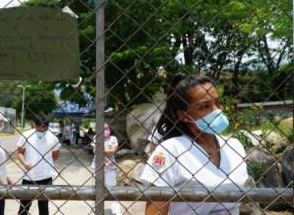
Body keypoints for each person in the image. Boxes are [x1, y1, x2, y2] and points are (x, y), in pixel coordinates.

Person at [141, 75, 249, 215]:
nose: (217, 110)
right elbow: (154, 212)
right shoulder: (171, 151)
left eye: (217, 102)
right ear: (184, 115)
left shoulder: (234, 147)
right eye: (205, 106)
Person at [16, 116, 61, 215]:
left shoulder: (53, 138)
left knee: (44, 208)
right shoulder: (26, 135)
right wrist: (25, 163)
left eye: (44, 129)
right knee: (24, 207)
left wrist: (45, 163)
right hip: (29, 177)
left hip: (45, 177)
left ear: (47, 127)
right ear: (35, 125)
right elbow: (19, 152)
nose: (42, 131)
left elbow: (56, 155)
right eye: (39, 129)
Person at [90, 123, 121, 215]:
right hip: (97, 167)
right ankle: (95, 210)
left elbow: (113, 150)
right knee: (95, 188)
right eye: (103, 128)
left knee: (112, 188)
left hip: (110, 167)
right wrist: (105, 151)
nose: (106, 130)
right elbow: (95, 151)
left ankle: (116, 211)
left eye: (107, 128)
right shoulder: (96, 137)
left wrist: (101, 150)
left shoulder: (113, 138)